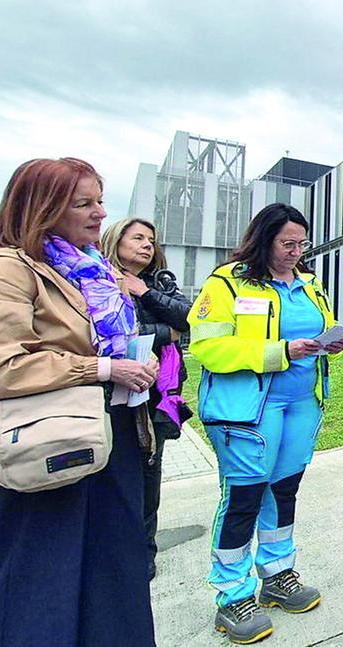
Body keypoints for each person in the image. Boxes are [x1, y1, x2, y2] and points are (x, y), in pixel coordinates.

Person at [0, 158, 157, 646]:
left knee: (114, 573)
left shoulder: (94, 269)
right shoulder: (13, 267)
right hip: (52, 442)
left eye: (100, 201)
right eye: (83, 203)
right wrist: (103, 368)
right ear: (42, 208)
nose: (99, 214)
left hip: (117, 435)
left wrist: (137, 362)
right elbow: (8, 366)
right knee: (47, 579)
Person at [188, 203, 343, 644]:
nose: (296, 252)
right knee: (243, 498)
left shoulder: (310, 285)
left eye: (302, 244)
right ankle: (232, 594)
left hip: (300, 405)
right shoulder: (227, 282)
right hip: (247, 412)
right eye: (287, 243)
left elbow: (322, 326)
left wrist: (330, 341)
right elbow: (208, 347)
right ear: (264, 239)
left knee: (283, 489)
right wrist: (279, 352)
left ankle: (277, 574)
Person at [100, 217, 192, 580]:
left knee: (149, 475)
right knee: (111, 474)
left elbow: (188, 319)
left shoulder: (160, 282)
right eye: (137, 237)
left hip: (157, 396)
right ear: (115, 240)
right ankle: (111, 551)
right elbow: (112, 334)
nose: (146, 245)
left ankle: (144, 553)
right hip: (110, 395)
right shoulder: (98, 279)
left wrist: (143, 291)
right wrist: (163, 332)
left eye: (150, 240)